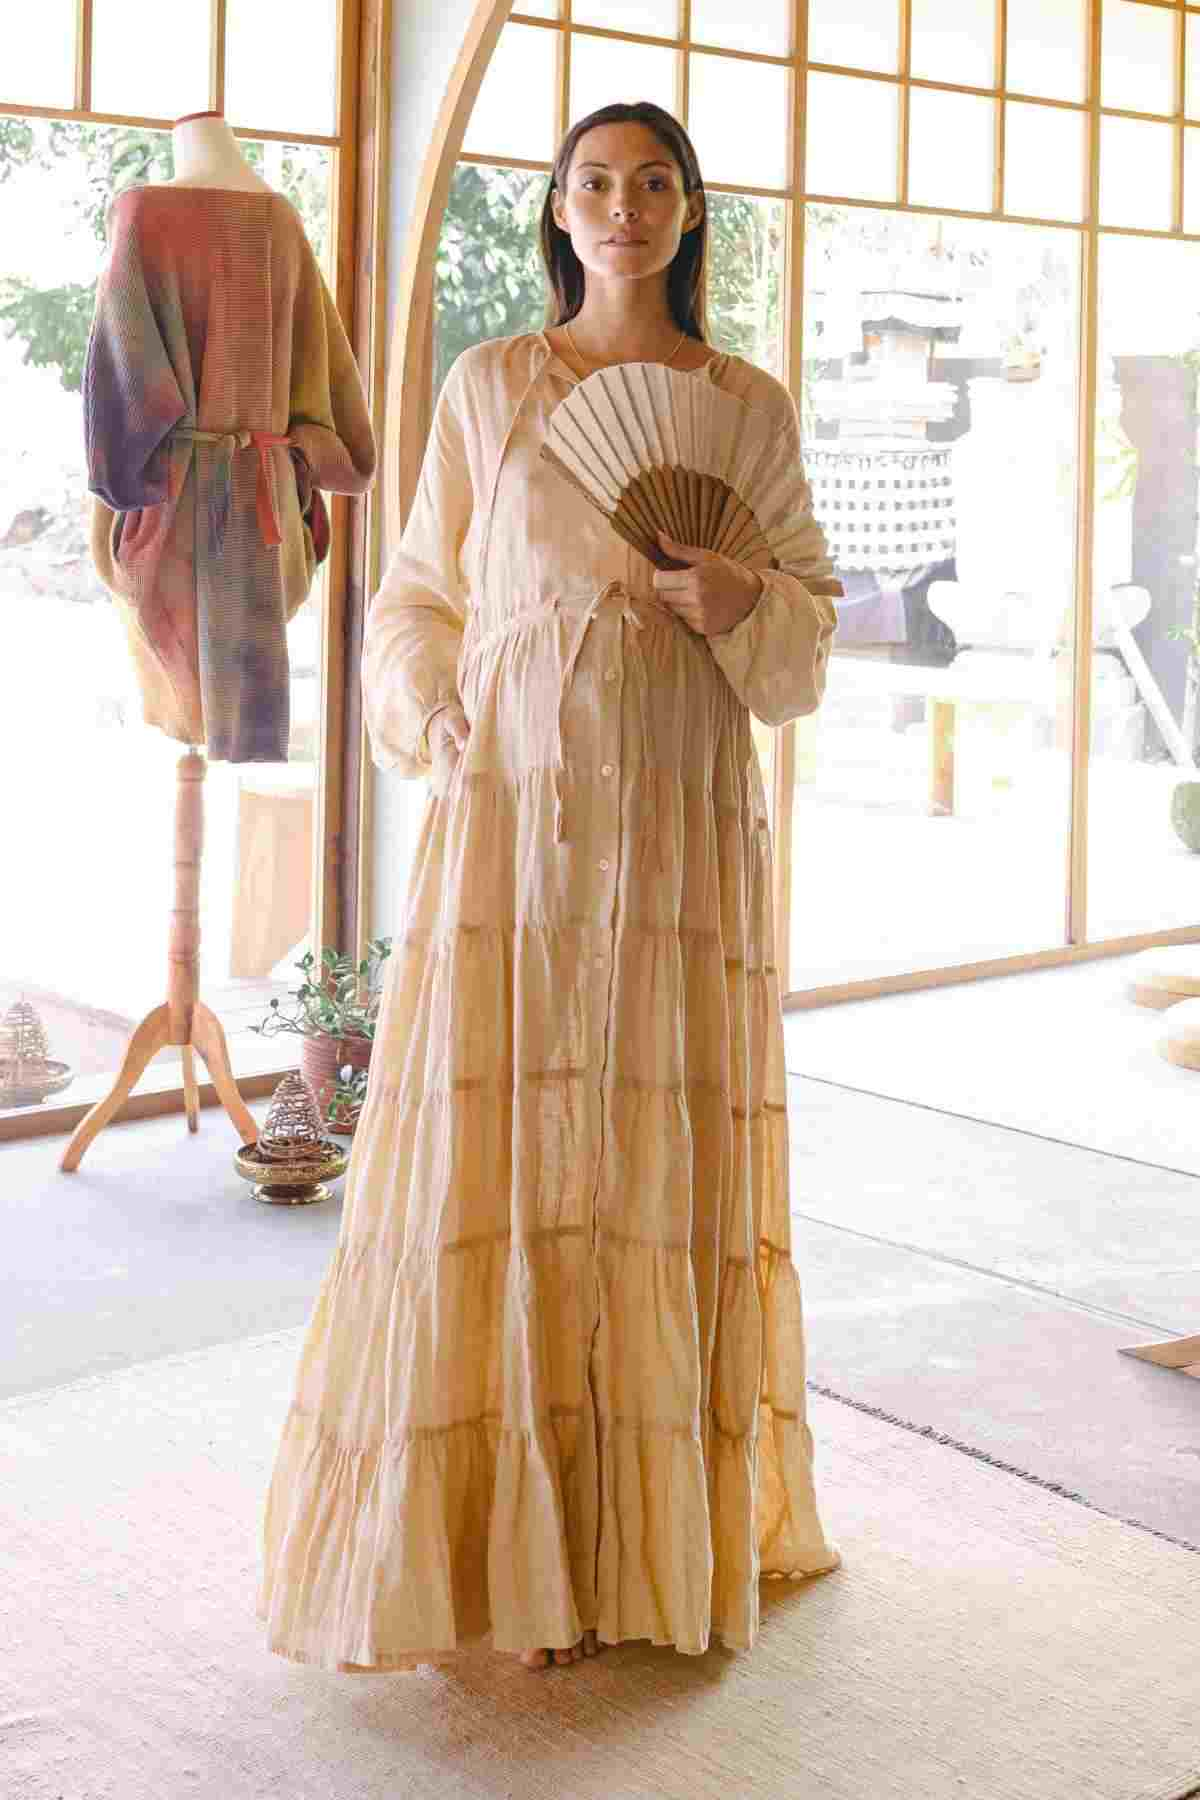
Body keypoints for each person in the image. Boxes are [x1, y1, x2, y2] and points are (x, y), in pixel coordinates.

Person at [257, 100, 844, 1678]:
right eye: (597, 182)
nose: (626, 206)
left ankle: (642, 1543)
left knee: (654, 1143)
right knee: (500, 1140)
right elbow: (418, 593)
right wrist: (433, 709)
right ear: (561, 214)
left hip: (678, 824)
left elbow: (805, 641)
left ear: (692, 212)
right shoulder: (490, 385)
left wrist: (743, 593)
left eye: (656, 183)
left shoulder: (746, 403)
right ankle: (489, 1550)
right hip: (512, 812)